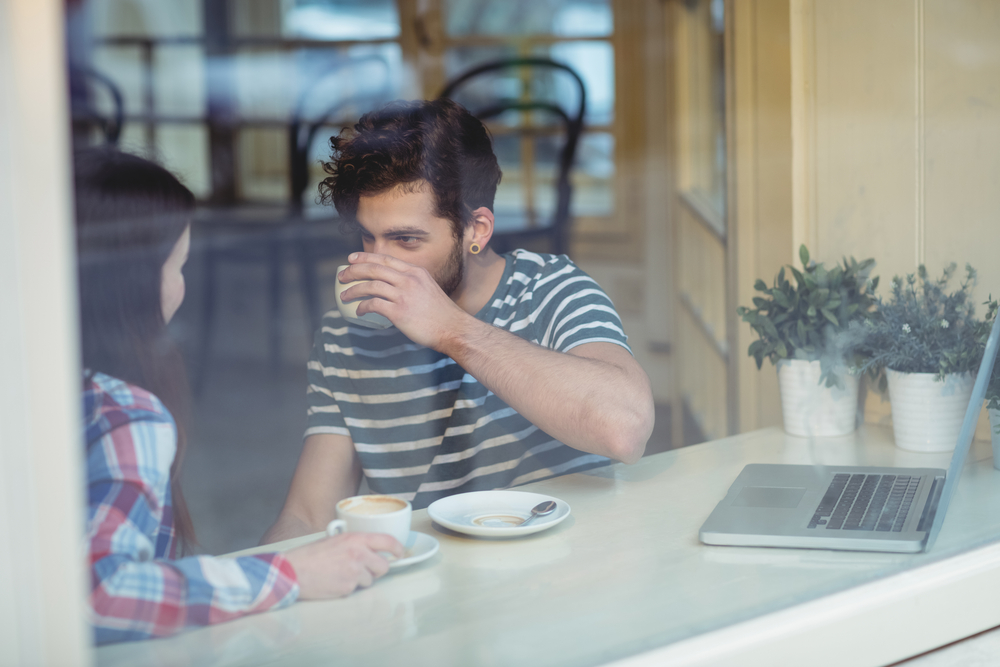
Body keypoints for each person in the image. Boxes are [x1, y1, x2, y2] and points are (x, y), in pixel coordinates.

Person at [263, 99, 655, 543]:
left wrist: (452, 330)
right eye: (367, 237)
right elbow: (309, 517)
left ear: (476, 230)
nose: (377, 263)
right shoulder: (348, 336)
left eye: (405, 240)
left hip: (562, 575)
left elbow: (625, 430)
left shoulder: (549, 291)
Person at [76, 148, 403, 645]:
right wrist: (287, 575)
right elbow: (97, 595)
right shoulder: (125, 416)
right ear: (134, 283)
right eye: (177, 266)